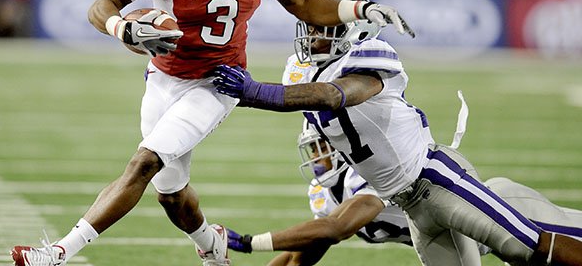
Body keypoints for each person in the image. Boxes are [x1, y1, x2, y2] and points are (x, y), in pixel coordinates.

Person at [9, 0, 413, 266]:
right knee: (171, 194)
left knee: (144, 163)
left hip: (218, 81)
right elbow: (102, 6)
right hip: (163, 77)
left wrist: (361, 8)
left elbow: (304, 2)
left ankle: (57, 253)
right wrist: (124, 29)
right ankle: (211, 245)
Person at [212, 0, 582, 265]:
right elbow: (305, 252)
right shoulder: (332, 176)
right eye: (310, 27)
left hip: (437, 179)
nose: (312, 35)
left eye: (322, 28)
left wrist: (247, 242)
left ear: (350, 32)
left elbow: (333, 96)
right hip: (413, 206)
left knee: (528, 247)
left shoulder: (369, 60)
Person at [224, 122, 582, 266]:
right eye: (312, 148)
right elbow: (301, 256)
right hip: (449, 238)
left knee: (549, 249)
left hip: (494, 206)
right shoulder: (326, 195)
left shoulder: (365, 173)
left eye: (322, 146)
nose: (317, 157)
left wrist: (249, 242)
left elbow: (337, 228)